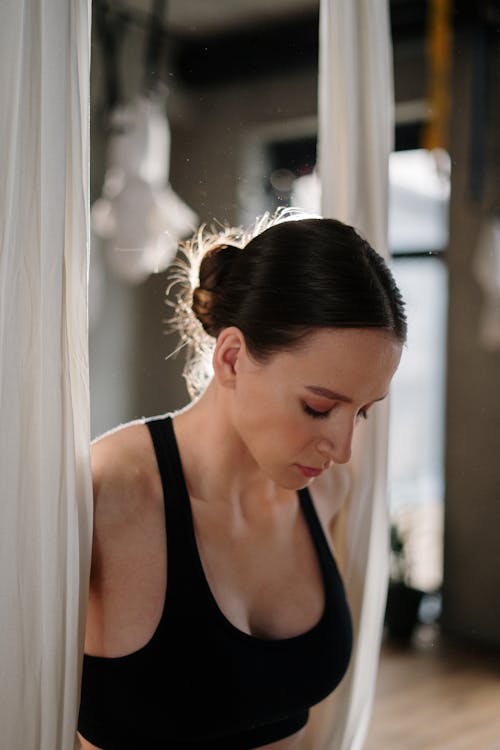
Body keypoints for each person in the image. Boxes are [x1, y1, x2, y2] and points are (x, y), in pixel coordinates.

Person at [77, 212, 406, 750]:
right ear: (231, 358)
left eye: (363, 412)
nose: (343, 450)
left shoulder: (323, 490)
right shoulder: (104, 494)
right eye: (319, 407)